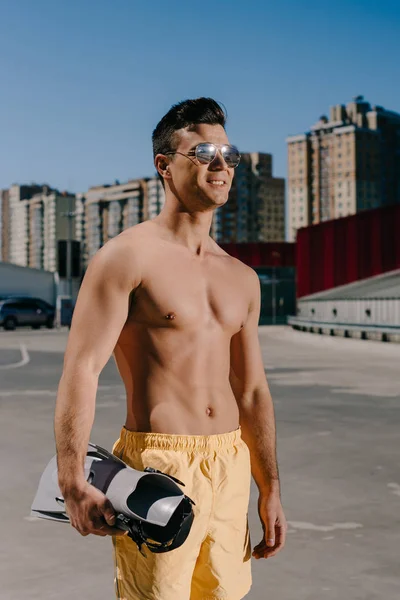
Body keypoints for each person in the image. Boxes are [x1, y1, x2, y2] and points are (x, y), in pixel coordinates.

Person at [54, 97, 287, 600]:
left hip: (229, 464)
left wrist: (269, 488)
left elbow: (251, 392)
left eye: (230, 153)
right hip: (160, 467)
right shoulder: (124, 258)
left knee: (226, 594)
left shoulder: (242, 279)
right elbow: (82, 369)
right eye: (205, 152)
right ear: (164, 164)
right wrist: (71, 479)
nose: (221, 165)